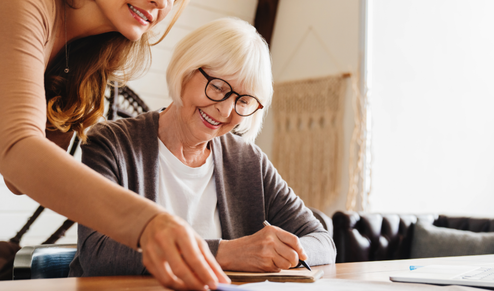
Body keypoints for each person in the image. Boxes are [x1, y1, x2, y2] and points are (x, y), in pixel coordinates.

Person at [0, 0, 230, 291]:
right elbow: (17, 154)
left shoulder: (82, 64)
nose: (160, 1)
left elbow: (18, 182)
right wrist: (149, 222)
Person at [68, 17, 337, 277]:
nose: (225, 109)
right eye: (218, 87)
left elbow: (323, 242)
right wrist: (227, 252)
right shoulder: (111, 144)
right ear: (186, 70)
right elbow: (97, 252)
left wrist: (280, 252)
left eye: (243, 101)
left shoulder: (247, 161)